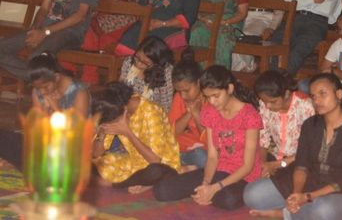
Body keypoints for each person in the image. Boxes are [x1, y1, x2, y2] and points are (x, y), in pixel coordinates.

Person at [243, 73, 342, 220]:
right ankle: (299, 211)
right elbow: (301, 165)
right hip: (310, 182)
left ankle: (284, 214)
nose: (317, 100)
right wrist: (296, 194)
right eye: (314, 96)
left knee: (323, 211)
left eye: (323, 94)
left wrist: (308, 197)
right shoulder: (310, 125)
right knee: (252, 194)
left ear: (339, 94)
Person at [154, 66, 262, 210]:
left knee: (228, 199)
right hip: (218, 170)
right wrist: (205, 183)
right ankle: (206, 192)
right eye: (208, 97)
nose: (212, 101)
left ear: (230, 89)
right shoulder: (210, 112)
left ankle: (210, 193)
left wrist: (215, 187)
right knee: (162, 190)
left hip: (242, 175)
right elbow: (212, 156)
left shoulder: (249, 115)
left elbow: (248, 166)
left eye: (216, 96)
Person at [0, 53, 90, 171]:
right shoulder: (37, 91)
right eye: (38, 88)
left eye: (46, 87)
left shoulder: (79, 92)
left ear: (56, 77)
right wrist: (47, 112)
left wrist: (56, 108)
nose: (42, 92)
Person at [92, 82, 181, 193]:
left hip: (162, 165)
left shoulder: (151, 111)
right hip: (135, 164)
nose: (112, 123)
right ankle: (137, 182)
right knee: (96, 163)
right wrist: (101, 132)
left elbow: (156, 160)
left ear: (123, 109)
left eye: (113, 120)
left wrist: (128, 132)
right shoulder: (116, 111)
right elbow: (96, 154)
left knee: (155, 172)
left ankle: (118, 184)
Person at [253, 71, 315, 178]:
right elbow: (262, 139)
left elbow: (310, 149)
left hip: (298, 162)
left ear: (286, 94)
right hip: (275, 157)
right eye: (264, 101)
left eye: (273, 101)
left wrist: (276, 165)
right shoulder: (265, 104)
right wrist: (263, 165)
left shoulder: (305, 107)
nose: (267, 106)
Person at [168, 49, 208, 171]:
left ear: (199, 83)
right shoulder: (179, 97)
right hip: (182, 148)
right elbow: (172, 133)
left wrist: (196, 114)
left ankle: (187, 168)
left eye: (186, 90)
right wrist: (189, 112)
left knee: (204, 157)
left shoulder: (211, 98)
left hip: (204, 149)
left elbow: (209, 140)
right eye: (179, 91)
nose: (183, 95)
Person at [119, 36, 175, 112]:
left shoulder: (166, 72)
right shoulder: (129, 62)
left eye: (146, 63)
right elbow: (121, 90)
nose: (138, 64)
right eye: (137, 58)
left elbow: (166, 105)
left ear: (157, 64)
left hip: (152, 113)